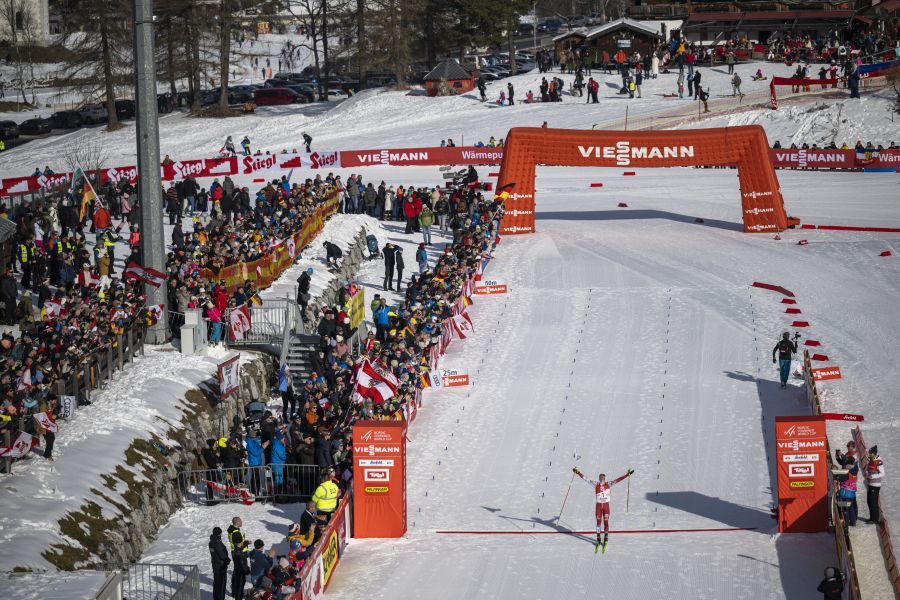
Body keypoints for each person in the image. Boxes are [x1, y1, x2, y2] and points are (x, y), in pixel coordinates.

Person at [573, 466, 634, 549]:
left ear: (605, 478)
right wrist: (578, 472)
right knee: (598, 523)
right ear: (599, 478)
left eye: (603, 477)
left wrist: (627, 475)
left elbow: (618, 479)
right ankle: (598, 539)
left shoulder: (608, 484)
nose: (602, 479)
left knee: (606, 522)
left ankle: (606, 538)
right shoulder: (596, 484)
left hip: (606, 506)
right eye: (601, 477)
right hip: (598, 507)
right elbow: (586, 479)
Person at [209, 526, 231, 600]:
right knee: (221, 584)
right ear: (219, 534)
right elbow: (221, 554)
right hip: (220, 565)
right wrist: (227, 560)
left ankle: (216, 597)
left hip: (215, 564)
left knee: (216, 582)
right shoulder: (216, 542)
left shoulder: (211, 541)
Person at [864, 445, 884, 524]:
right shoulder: (871, 460)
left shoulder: (878, 461)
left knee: (873, 502)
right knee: (869, 501)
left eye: (870, 453)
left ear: (874, 453)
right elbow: (868, 469)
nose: (869, 454)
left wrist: (872, 476)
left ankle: (875, 519)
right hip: (870, 483)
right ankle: (872, 517)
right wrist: (866, 473)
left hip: (876, 484)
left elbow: (882, 473)